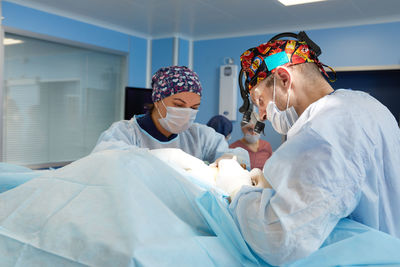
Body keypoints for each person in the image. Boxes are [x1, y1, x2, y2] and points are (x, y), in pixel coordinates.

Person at [221, 32, 400, 266]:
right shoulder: (368, 106)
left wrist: (237, 191)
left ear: (284, 79)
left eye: (260, 101)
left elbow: (278, 239)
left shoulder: (325, 129)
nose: (262, 115)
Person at [92, 66, 249, 166]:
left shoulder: (199, 136)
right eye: (179, 105)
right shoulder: (125, 133)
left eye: (194, 107)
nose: (187, 112)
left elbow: (235, 156)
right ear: (157, 100)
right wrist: (169, 158)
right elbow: (104, 161)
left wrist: (230, 163)